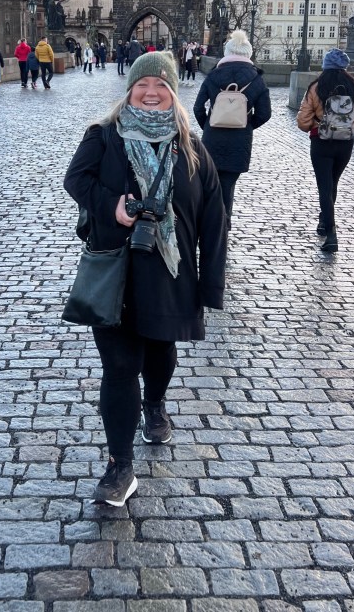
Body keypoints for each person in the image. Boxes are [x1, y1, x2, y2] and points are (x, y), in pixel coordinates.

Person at [64, 51, 227, 507]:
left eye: (161, 86)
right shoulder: (103, 135)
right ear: (130, 89)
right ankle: (120, 465)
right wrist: (111, 205)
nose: (151, 93)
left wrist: (210, 285)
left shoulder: (192, 148)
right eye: (142, 85)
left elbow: (215, 219)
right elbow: (76, 180)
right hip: (117, 270)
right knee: (119, 367)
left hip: (171, 276)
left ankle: (154, 404)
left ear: (173, 93)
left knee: (160, 356)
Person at [193, 30, 272, 230]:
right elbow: (265, 114)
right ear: (249, 53)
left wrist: (209, 126)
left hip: (212, 139)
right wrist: (246, 125)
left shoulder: (214, 75)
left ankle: (211, 222)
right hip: (239, 141)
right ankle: (224, 223)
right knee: (228, 184)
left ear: (227, 52)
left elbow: (198, 108)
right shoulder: (256, 78)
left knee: (211, 183)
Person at [296, 49, 354, 252]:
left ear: (325, 65)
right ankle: (323, 221)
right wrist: (347, 126)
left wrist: (317, 125)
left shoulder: (316, 87)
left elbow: (303, 121)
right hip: (345, 143)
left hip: (321, 142)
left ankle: (331, 234)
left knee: (324, 186)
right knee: (333, 182)